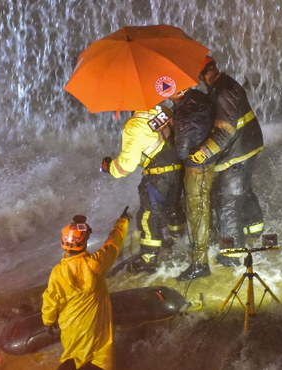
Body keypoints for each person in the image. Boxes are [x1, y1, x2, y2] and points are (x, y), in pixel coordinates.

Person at [189, 56, 265, 266]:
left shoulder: (222, 93)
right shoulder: (225, 84)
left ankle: (231, 254)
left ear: (203, 74)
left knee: (228, 201)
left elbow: (224, 131)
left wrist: (203, 152)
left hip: (238, 151)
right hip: (247, 145)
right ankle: (254, 228)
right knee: (242, 188)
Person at [41, 207, 131, 370]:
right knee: (100, 359)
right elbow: (113, 244)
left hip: (71, 330)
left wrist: (48, 321)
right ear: (85, 242)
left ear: (63, 244)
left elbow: (50, 301)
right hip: (95, 330)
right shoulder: (96, 264)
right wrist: (123, 221)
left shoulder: (58, 272)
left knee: (73, 359)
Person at [101, 106, 185, 274]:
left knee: (148, 216)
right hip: (177, 169)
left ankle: (149, 258)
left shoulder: (134, 125)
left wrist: (110, 167)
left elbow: (127, 164)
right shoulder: (165, 112)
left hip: (157, 176)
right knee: (172, 206)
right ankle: (179, 240)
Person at [168, 88, 216, 281]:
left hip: (196, 168)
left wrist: (169, 131)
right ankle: (202, 245)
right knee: (201, 210)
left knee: (197, 213)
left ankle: (200, 264)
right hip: (207, 162)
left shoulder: (185, 116)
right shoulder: (198, 98)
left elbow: (180, 152)